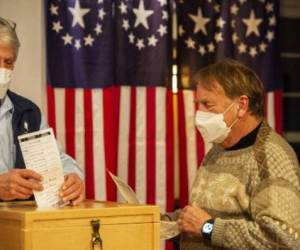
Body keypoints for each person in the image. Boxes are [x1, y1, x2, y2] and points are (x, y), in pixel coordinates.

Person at [166, 59, 300, 249]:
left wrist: (208, 228)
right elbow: (203, 215)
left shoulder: (271, 156)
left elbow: (283, 239)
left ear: (241, 105)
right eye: (198, 104)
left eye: (207, 104)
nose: (199, 113)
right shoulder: (218, 149)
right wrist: (160, 222)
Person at [0, 17, 85, 205]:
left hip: (18, 226)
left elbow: (56, 159)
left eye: (8, 62)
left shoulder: (28, 112)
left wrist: (73, 177)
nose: (2, 69)